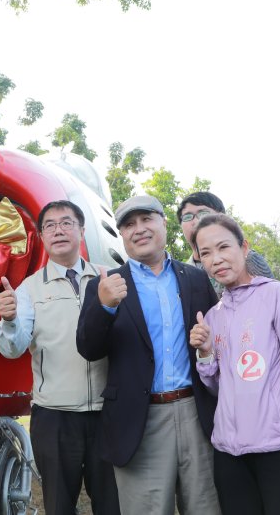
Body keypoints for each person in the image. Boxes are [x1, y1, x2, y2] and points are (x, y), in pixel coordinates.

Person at [76, 195, 221, 515]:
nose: (139, 229)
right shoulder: (106, 285)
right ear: (121, 235)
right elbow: (88, 348)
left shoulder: (195, 279)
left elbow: (218, 339)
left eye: (146, 220)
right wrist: (105, 306)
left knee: (206, 507)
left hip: (197, 413)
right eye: (128, 224)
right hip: (140, 420)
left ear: (163, 222)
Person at [189, 213, 280, 515]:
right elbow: (220, 388)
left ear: (244, 248)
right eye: (206, 253)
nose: (216, 259)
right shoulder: (214, 315)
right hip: (229, 454)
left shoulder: (277, 295)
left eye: (223, 247)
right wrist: (205, 353)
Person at [0, 200, 120, 514]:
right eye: (49, 225)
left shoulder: (108, 280)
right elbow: (13, 347)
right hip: (55, 418)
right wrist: (9, 320)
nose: (58, 230)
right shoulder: (28, 289)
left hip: (108, 414)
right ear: (41, 236)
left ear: (81, 230)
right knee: (58, 505)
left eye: (66, 223)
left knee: (112, 504)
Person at [177, 191, 274, 294]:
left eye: (203, 214)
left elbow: (272, 297)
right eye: (187, 217)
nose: (195, 221)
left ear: (221, 217)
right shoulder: (182, 273)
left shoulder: (248, 259)